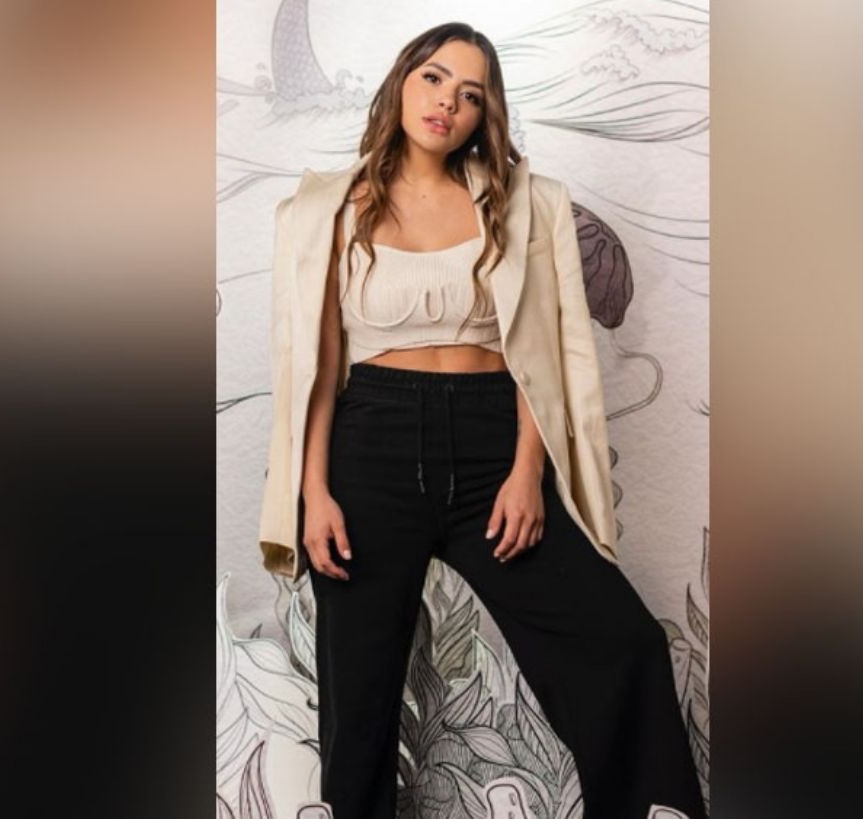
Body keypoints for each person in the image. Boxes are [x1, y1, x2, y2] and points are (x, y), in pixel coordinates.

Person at [256, 22, 708, 819]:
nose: (447, 103)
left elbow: (539, 350)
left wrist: (528, 470)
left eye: (470, 93)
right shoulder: (328, 206)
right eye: (434, 78)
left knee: (622, 640)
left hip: (494, 444)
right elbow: (317, 369)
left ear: (484, 113)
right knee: (359, 696)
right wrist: (314, 493)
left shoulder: (523, 203)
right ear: (402, 82)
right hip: (369, 447)